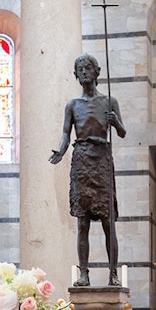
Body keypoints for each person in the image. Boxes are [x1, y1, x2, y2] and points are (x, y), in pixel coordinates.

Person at [49, 54, 126, 287]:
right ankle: (84, 273)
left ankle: (113, 273)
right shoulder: (72, 105)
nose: (83, 72)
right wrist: (61, 151)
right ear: (75, 75)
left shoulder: (109, 101)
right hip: (81, 160)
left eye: (87, 68)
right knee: (82, 222)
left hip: (101, 158)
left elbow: (122, 132)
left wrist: (115, 122)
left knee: (107, 220)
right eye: (79, 69)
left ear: (97, 72)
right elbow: (66, 133)